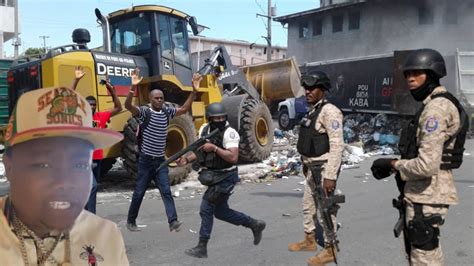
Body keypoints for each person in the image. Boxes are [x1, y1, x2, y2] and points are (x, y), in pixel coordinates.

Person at [0, 86, 128, 265]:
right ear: (9, 167)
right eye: (43, 165)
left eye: (79, 164)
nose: (65, 182)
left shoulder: (107, 236)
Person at [371, 48, 468, 265]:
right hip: (424, 194)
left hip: (427, 194)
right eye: (407, 74)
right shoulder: (435, 104)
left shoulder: (436, 109)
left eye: (417, 73)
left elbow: (427, 165)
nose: (410, 79)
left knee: (424, 258)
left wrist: (393, 164)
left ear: (432, 74)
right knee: (424, 255)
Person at [176, 102, 266, 258]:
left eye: (222, 117)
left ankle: (202, 247)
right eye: (215, 118)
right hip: (213, 176)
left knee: (206, 208)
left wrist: (215, 148)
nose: (219, 120)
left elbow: (233, 157)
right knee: (221, 212)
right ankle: (254, 224)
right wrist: (186, 159)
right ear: (209, 118)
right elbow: (199, 151)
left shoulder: (229, 133)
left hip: (226, 177)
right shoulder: (205, 129)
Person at [125, 69, 199, 232]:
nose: (159, 100)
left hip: (161, 161)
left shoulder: (166, 112)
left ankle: (173, 222)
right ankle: (131, 221)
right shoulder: (145, 112)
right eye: (156, 98)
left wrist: (194, 91)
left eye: (161, 98)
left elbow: (184, 109)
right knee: (139, 193)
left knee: (166, 191)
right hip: (146, 160)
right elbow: (128, 106)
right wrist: (132, 87)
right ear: (150, 100)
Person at [288, 71, 344, 266]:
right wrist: (305, 164)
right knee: (307, 206)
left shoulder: (331, 112)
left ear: (323, 89)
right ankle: (309, 240)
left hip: (324, 169)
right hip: (311, 168)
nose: (308, 92)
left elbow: (337, 145)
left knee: (326, 211)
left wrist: (330, 176)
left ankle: (330, 249)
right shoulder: (313, 110)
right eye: (306, 88)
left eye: (312, 88)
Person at [72, 66, 123, 214]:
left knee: (91, 186)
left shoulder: (100, 116)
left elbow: (118, 108)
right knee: (92, 186)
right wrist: (76, 79)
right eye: (89, 104)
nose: (92, 107)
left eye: (94, 105)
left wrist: (111, 90)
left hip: (98, 157)